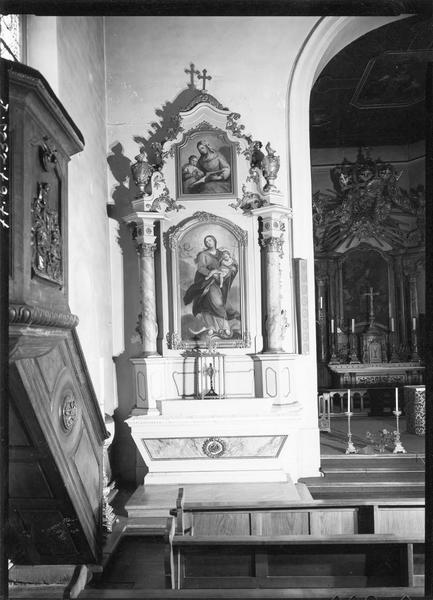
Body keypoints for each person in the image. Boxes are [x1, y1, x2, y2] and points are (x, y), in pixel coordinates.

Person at [183, 235, 238, 337]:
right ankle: (212, 327)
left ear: (214, 241)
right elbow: (201, 268)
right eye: (206, 241)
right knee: (208, 304)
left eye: (210, 240)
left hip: (221, 282)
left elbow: (231, 262)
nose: (208, 242)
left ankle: (224, 328)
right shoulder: (203, 255)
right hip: (206, 281)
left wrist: (232, 268)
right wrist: (213, 274)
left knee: (219, 303)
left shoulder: (221, 253)